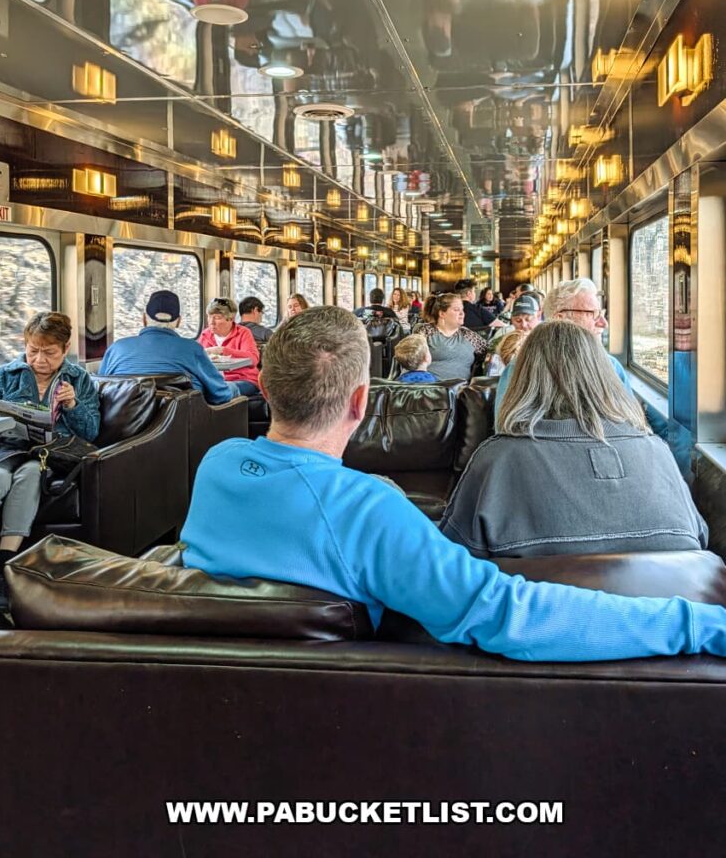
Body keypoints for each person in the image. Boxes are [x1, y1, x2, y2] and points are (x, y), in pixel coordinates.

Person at [181, 306, 726, 662]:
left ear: (265, 390)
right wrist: (697, 623)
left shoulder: (218, 465)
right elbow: (507, 613)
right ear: (361, 401)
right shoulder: (369, 512)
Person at [442, 322, 708, 557]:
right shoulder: (657, 451)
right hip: (666, 611)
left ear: (523, 379)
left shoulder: (497, 459)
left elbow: (456, 558)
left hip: (545, 612)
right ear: (605, 377)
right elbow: (698, 539)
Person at [0, 312, 100, 608]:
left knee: (31, 474)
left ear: (65, 348)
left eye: (49, 353)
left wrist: (73, 405)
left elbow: (92, 432)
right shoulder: (3, 376)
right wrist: (0, 418)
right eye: (33, 350)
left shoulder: (79, 379)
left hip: (44, 456)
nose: (39, 359)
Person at [495, 278, 630, 417]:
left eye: (601, 313)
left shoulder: (612, 366)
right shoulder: (519, 369)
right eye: (593, 314)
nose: (604, 323)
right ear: (561, 319)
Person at [98, 290, 239, 403]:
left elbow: (99, 390)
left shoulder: (116, 348)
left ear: (144, 318)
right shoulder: (192, 349)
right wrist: (235, 389)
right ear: (178, 321)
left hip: (122, 433)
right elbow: (221, 395)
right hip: (186, 431)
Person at [416, 293, 487, 381]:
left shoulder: (467, 334)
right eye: (456, 310)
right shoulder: (426, 331)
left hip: (461, 391)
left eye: (462, 310)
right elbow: (411, 359)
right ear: (442, 313)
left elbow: (489, 351)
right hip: (430, 390)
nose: (462, 313)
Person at [198, 298, 260, 396]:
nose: (211, 322)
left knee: (221, 390)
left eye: (217, 318)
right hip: (214, 381)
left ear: (231, 319)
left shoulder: (243, 333)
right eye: (209, 317)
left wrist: (222, 350)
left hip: (243, 380)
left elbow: (254, 359)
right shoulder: (205, 334)